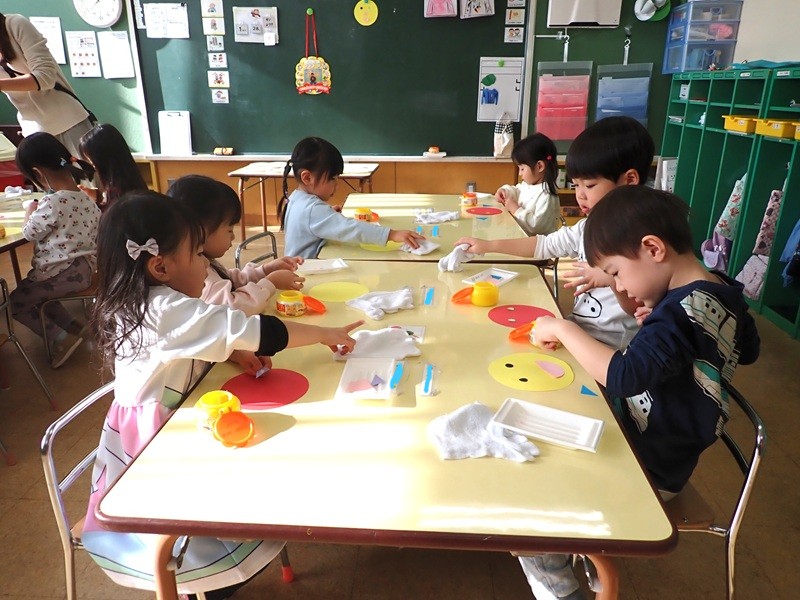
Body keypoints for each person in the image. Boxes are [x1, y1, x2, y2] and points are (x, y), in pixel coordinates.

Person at [81, 191, 363, 598]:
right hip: (155, 438)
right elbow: (255, 330)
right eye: (197, 254)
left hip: (163, 417)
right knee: (191, 519)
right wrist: (324, 334)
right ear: (160, 266)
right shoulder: (165, 309)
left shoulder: (141, 299)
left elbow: (187, 347)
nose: (206, 265)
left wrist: (233, 354)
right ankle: (200, 581)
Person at [523, 186, 760, 600]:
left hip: (644, 468)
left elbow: (625, 376)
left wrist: (563, 327)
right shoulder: (717, 289)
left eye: (616, 272)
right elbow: (749, 348)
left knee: (527, 498)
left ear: (653, 248)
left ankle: (560, 589)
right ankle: (589, 559)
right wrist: (671, 324)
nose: (617, 283)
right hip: (662, 454)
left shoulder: (680, 312)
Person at [456, 116, 655, 349]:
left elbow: (638, 311)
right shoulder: (587, 227)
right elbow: (543, 244)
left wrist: (612, 280)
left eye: (589, 185)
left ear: (629, 180)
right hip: (578, 331)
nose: (580, 195)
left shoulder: (646, 242)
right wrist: (488, 246)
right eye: (576, 185)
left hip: (610, 349)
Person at [10, 132, 100, 368]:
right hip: (84, 271)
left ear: (38, 174)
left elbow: (29, 232)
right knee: (40, 293)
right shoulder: (86, 199)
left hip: (62, 273)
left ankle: (60, 338)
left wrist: (30, 209)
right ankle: (73, 327)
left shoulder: (52, 202)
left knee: (17, 302)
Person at [167, 174, 305, 316]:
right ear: (201, 231)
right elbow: (234, 308)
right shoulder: (198, 276)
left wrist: (265, 270)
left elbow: (229, 279)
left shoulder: (204, 262)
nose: (233, 236)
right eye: (229, 230)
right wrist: (271, 282)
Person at [280, 136, 424, 258]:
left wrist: (327, 215)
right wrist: (391, 234)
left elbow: (309, 222)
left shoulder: (297, 197)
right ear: (307, 178)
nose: (336, 185)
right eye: (332, 179)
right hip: (305, 273)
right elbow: (351, 229)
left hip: (299, 269)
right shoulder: (312, 210)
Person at [0, 13, 95, 156]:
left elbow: (45, 77)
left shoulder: (15, 24)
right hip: (34, 134)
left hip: (68, 123)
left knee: (86, 171)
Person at [495, 132, 561, 235]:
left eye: (522, 169)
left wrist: (516, 210)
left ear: (539, 166)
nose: (520, 173)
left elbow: (536, 226)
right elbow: (517, 190)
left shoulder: (547, 195)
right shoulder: (529, 185)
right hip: (522, 237)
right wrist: (505, 191)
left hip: (537, 244)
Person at [78, 122, 148, 208]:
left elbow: (111, 213)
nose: (94, 167)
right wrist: (96, 195)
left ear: (103, 160)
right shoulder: (131, 178)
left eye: (93, 163)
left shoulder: (119, 192)